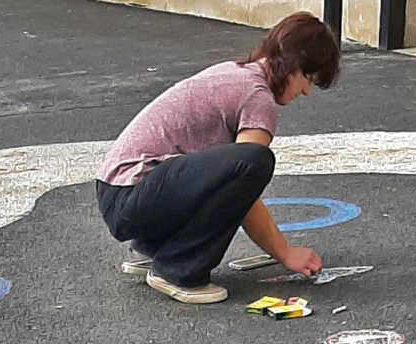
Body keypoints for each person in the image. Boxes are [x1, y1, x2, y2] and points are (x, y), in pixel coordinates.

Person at [95, 12, 342, 304]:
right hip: (134, 196)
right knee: (256, 161)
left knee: (233, 166)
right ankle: (178, 269)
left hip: (118, 193)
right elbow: (243, 188)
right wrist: (284, 252)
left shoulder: (235, 72)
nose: (306, 91)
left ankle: (156, 249)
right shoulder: (257, 98)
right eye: (308, 78)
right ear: (292, 65)